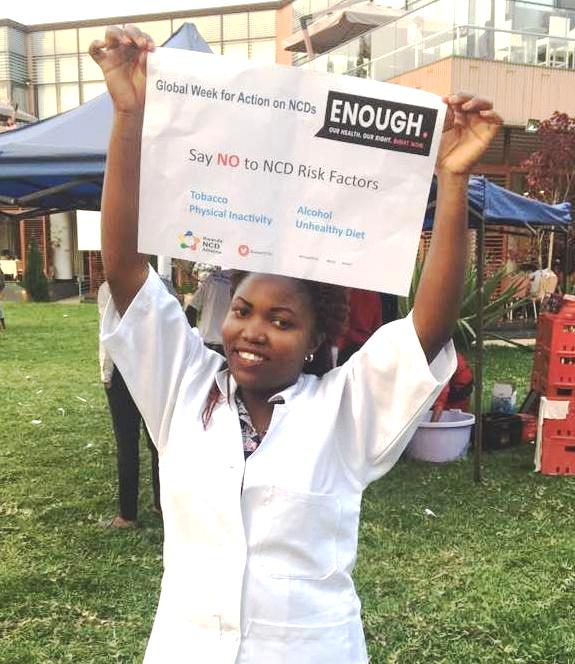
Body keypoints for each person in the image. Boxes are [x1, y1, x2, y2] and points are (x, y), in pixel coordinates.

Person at [90, 24, 501, 664]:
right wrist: (129, 116)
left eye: (282, 321)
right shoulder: (181, 385)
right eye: (245, 311)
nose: (253, 331)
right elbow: (124, 269)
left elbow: (429, 327)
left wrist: (451, 183)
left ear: (315, 341)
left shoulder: (345, 411)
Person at [98, 281, 161, 528]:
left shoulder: (109, 288)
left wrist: (106, 372)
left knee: (127, 444)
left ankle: (127, 514)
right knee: (157, 443)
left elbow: (108, 335)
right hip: (155, 371)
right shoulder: (160, 285)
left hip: (123, 371)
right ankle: (162, 504)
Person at [184, 267, 232, 355]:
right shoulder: (243, 283)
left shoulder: (212, 277)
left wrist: (192, 338)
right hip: (227, 346)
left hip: (204, 343)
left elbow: (191, 308)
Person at [336, 287, 383, 365]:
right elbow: (378, 328)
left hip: (342, 348)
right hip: (365, 349)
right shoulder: (374, 294)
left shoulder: (342, 288)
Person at [431, 351, 474, 421]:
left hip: (457, 394)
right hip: (459, 388)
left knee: (454, 419)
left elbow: (440, 402)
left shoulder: (441, 363)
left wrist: (431, 427)